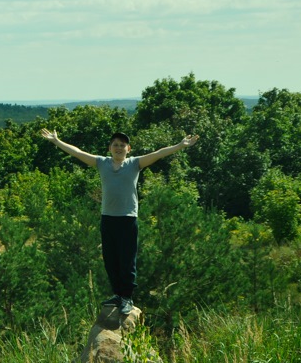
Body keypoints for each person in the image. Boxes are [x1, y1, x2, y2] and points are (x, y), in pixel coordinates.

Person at [39, 128, 199, 316]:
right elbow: (78, 153)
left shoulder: (134, 164)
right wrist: (57, 141)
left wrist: (180, 146)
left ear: (128, 149)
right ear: (110, 148)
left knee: (126, 260)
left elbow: (158, 153)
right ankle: (118, 295)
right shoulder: (102, 163)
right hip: (108, 218)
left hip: (128, 219)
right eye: (115, 144)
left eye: (122, 145)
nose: (119, 148)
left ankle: (127, 298)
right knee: (110, 260)